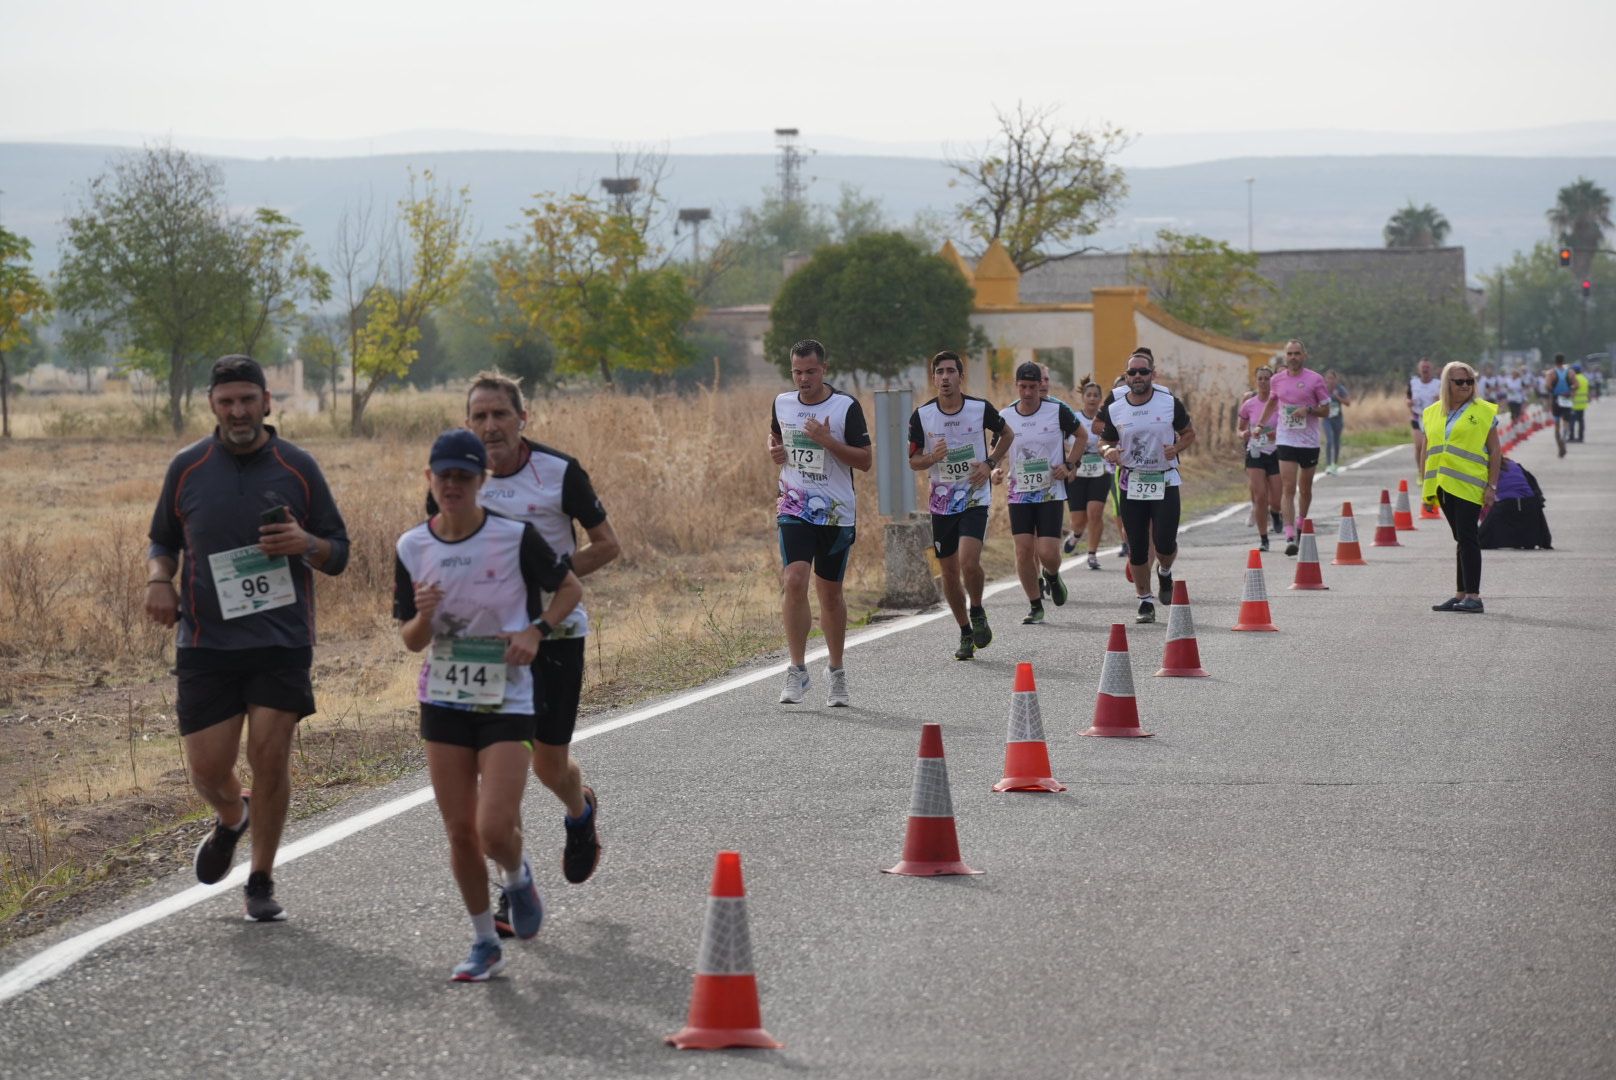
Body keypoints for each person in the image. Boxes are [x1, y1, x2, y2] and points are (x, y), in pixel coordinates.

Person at [145, 355, 350, 922]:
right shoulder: (187, 468)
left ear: (267, 403)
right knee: (207, 770)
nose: (238, 411)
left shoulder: (298, 466)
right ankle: (233, 817)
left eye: (248, 400)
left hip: (280, 640)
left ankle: (260, 879)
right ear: (212, 405)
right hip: (206, 642)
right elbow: (161, 539)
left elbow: (340, 552)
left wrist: (305, 543)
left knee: (270, 756)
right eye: (227, 401)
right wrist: (159, 580)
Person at [396, 430, 583, 981]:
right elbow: (409, 639)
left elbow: (569, 589)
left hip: (507, 695)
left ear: (481, 482)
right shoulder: (413, 547)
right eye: (443, 475)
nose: (452, 485)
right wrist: (425, 616)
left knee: (494, 830)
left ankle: (517, 877)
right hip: (445, 697)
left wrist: (536, 630)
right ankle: (484, 942)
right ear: (429, 480)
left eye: (463, 476)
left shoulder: (514, 536)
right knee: (460, 831)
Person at [456, 372, 617, 936]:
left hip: (556, 635)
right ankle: (511, 884)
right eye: (480, 417)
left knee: (549, 765)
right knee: (501, 767)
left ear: (522, 419)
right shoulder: (459, 480)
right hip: (489, 644)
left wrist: (549, 580)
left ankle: (581, 812)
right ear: (468, 424)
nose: (490, 426)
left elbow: (608, 545)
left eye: (500, 414)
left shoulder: (559, 472)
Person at [768, 340, 873, 705]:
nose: (803, 379)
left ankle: (837, 670)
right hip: (795, 505)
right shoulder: (782, 403)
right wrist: (775, 452)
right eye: (797, 372)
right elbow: (778, 440)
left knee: (830, 594)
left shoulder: (845, 407)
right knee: (794, 580)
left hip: (835, 512)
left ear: (824, 369)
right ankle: (797, 670)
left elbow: (864, 461)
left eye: (810, 371)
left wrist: (827, 440)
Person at [908, 351, 1011, 660]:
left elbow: (1007, 434)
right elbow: (913, 461)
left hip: (974, 495)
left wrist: (990, 461)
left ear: (960, 376)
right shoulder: (922, 416)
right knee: (950, 573)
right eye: (939, 372)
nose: (944, 377)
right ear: (933, 377)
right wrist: (932, 459)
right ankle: (966, 631)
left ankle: (977, 609)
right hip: (942, 503)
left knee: (968, 561)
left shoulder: (979, 409)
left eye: (950, 371)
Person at [1097, 349, 1195, 624]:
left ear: (1153, 374)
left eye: (1143, 372)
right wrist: (1108, 451)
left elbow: (1189, 433)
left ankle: (1164, 572)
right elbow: (1103, 440)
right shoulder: (1116, 408)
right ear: (1126, 376)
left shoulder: (1168, 403)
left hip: (1164, 478)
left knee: (1165, 542)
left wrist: (1176, 447)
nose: (1137, 376)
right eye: (1132, 372)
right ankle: (1144, 601)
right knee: (1137, 546)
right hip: (1132, 481)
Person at [1001, 360, 1080, 625]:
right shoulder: (1006, 416)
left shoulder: (1057, 410)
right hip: (1019, 493)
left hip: (1050, 492)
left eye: (1032, 387)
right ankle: (1035, 605)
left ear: (1040, 386)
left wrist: (1069, 464)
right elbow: (996, 450)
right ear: (1016, 386)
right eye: (1022, 387)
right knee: (1023, 551)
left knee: (1047, 552)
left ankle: (1053, 576)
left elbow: (1081, 437)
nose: (1027, 392)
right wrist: (994, 470)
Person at [1420, 363, 1501, 614]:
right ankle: (1460, 594)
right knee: (1460, 538)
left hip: (1469, 484)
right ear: (1447, 384)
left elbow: (1496, 451)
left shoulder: (1484, 411)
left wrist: (1492, 485)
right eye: (1459, 382)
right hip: (1443, 485)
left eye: (1469, 381)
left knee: (1468, 538)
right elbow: (1427, 449)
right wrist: (1426, 485)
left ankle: (1474, 596)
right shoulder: (1432, 412)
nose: (1465, 386)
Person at [1267, 339, 1332, 556]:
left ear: (1304, 355)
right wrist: (1259, 424)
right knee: (1288, 487)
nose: (1293, 357)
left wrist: (1309, 410)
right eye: (1290, 354)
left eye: (1297, 353)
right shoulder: (1276, 380)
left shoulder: (1315, 379)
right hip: (1286, 439)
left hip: (1309, 441)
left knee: (1305, 489)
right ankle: (1289, 535)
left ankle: (1301, 523)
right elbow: (1272, 401)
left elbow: (1326, 410)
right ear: (1285, 357)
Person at [1063, 379, 1112, 570]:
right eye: (1089, 395)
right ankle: (1075, 535)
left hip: (1101, 469)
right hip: (1077, 469)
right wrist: (1073, 455)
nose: (1092, 399)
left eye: (1096, 395)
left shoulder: (1105, 421)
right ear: (1083, 398)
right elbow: (1065, 442)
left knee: (1095, 512)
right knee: (1078, 520)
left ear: (1101, 399)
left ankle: (1092, 554)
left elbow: (1112, 440)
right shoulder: (1074, 418)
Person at [1236, 366, 1282, 552]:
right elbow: (1239, 430)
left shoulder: (1278, 403)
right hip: (1255, 452)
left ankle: (1276, 513)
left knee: (1276, 498)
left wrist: (1275, 434)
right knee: (1260, 496)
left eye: (1266, 379)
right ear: (1256, 381)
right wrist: (1244, 434)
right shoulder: (1249, 404)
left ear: (1272, 381)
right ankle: (1263, 538)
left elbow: (1287, 426)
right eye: (1260, 378)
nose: (1263, 382)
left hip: (1276, 452)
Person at [1479, 457, 1553, 551]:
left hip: (1506, 508)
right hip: (1531, 508)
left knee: (1478, 541)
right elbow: (1535, 490)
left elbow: (1483, 500)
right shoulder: (1513, 464)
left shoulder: (1484, 469)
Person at [1408, 357, 1442, 475]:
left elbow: (1446, 401)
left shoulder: (1438, 384)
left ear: (1431, 369)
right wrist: (1409, 403)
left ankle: (1432, 470)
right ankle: (1420, 472)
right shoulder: (1413, 382)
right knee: (1419, 446)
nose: (1425, 370)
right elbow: (1407, 398)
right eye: (1423, 367)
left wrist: (1439, 399)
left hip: (1433, 417)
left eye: (1427, 367)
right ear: (1419, 369)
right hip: (1418, 416)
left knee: (1431, 447)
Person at [1323, 368, 1352, 475]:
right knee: (1329, 440)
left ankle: (1334, 464)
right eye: (1328, 378)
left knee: (1336, 442)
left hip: (1338, 420)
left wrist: (1337, 397)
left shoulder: (1340, 389)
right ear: (1325, 379)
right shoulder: (1323, 389)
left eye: (1332, 378)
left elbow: (1348, 402)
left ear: (1336, 380)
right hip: (1327, 419)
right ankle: (1328, 465)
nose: (1330, 381)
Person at [1544, 354, 1573, 458]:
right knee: (1566, 422)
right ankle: (1564, 439)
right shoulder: (1570, 372)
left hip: (1556, 399)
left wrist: (1554, 391)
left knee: (1556, 424)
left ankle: (1559, 444)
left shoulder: (1551, 373)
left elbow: (1547, 386)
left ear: (1555, 361)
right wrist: (1570, 390)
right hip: (1566, 398)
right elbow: (1577, 384)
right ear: (1563, 361)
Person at [1570, 364, 1590, 442]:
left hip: (1574, 404)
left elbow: (1572, 390)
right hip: (1582, 404)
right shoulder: (1585, 379)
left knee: (1572, 421)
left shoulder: (1573, 379)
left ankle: (1571, 436)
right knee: (1581, 421)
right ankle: (1581, 437)